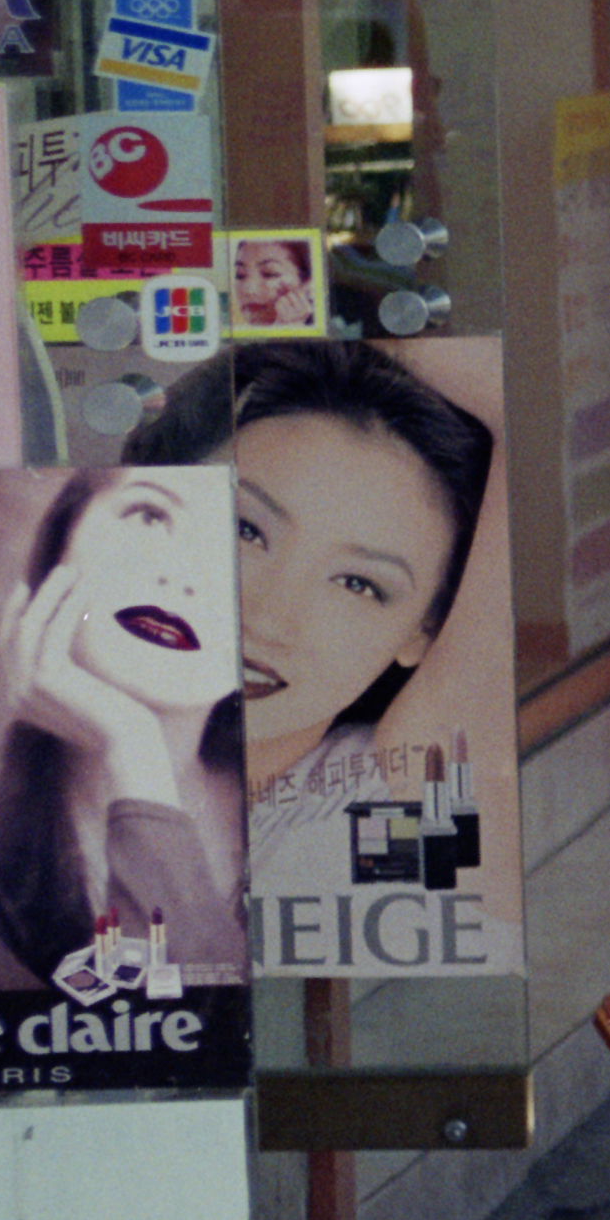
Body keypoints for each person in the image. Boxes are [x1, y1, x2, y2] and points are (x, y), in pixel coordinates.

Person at [127, 341, 495, 893]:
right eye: (245, 530)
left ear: (425, 629)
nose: (268, 618)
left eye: (358, 584)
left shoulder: (381, 800)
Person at [0, 469, 246, 1004]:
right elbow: (156, 1049)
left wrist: (136, 757)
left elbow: (216, 1046)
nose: (184, 576)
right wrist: (132, 748)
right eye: (151, 514)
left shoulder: (292, 810)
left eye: (239, 537)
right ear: (57, 556)